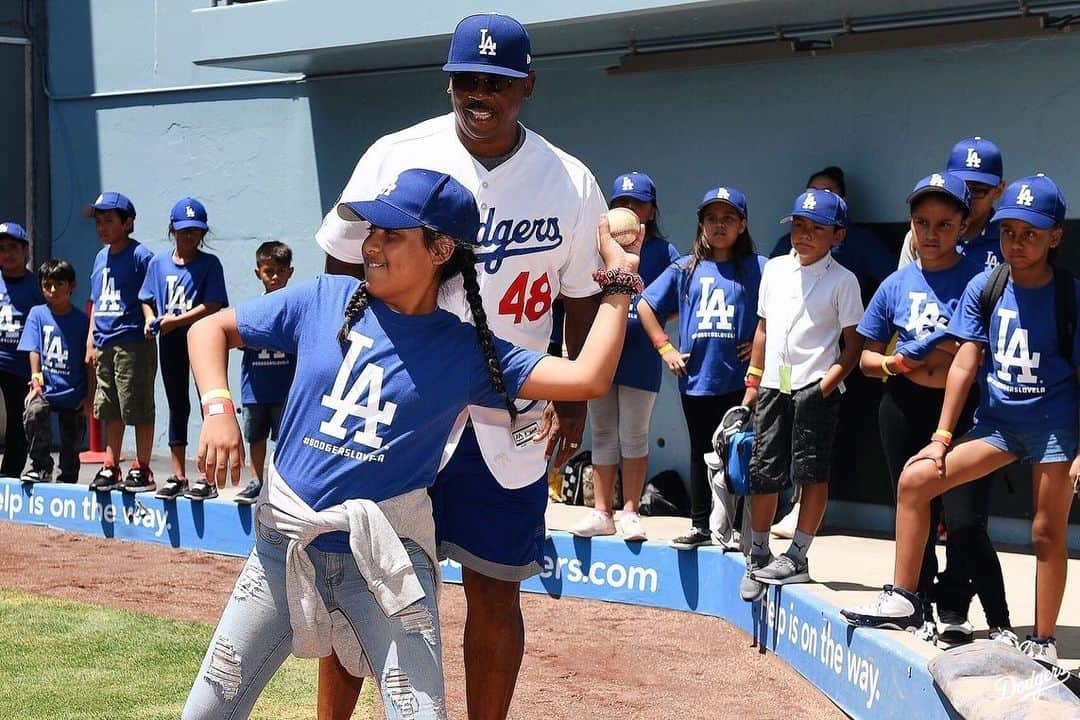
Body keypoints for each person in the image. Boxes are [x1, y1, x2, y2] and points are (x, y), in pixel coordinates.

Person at [180, 168, 641, 720]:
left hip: (386, 567)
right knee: (204, 715)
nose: (370, 246)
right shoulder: (324, 298)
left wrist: (619, 284)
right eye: (371, 231)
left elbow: (587, 378)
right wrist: (217, 407)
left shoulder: (466, 351)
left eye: (390, 235)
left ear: (441, 248)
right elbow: (207, 330)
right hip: (283, 550)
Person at [312, 14, 606, 720]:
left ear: (526, 86)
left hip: (509, 410)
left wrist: (574, 403)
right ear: (448, 82)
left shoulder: (569, 180)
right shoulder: (395, 153)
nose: (481, 93)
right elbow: (339, 267)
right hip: (401, 400)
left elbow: (582, 298)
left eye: (498, 82)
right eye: (468, 79)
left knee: (496, 589)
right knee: (362, 581)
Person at [842, 174, 1076, 666]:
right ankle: (904, 598)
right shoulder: (986, 286)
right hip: (997, 426)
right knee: (915, 480)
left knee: (1045, 532)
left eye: (1031, 233)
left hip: (1054, 428)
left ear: (1055, 235)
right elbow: (967, 361)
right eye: (1010, 231)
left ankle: (1045, 638)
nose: (1017, 242)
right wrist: (943, 437)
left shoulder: (1069, 297)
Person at [855, 172, 1012, 646]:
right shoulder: (895, 284)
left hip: (962, 411)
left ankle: (988, 617)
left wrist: (935, 347)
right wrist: (893, 362)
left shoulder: (982, 281)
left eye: (944, 224)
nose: (931, 233)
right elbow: (865, 357)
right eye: (922, 222)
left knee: (964, 520)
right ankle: (915, 602)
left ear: (964, 225)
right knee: (912, 504)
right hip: (902, 405)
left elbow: (977, 349)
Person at [739, 189, 863, 602]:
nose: (805, 235)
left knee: (812, 473)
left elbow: (853, 346)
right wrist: (753, 383)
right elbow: (762, 329)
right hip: (774, 385)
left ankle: (798, 556)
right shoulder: (773, 269)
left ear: (838, 235)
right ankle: (757, 555)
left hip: (815, 387)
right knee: (764, 471)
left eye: (816, 229)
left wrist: (825, 385)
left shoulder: (844, 281)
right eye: (798, 225)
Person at [636, 186, 764, 548]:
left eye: (728, 219)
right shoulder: (685, 269)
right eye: (711, 219)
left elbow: (779, 309)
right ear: (701, 225)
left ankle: (739, 527)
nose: (719, 226)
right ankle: (700, 524)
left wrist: (758, 343)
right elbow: (646, 305)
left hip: (738, 381)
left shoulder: (758, 267)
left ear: (742, 225)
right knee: (700, 451)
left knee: (738, 450)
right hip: (696, 380)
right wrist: (665, 349)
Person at [570, 172, 678, 541]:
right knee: (601, 432)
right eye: (622, 203)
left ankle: (630, 511)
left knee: (634, 434)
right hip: (602, 352)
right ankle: (602, 512)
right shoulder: (596, 246)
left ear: (651, 210)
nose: (629, 210)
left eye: (638, 203)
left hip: (640, 356)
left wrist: (655, 319)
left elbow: (679, 298)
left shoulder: (663, 252)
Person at [140, 198, 229, 499]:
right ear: (172, 230)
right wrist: (151, 318)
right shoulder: (158, 263)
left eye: (195, 231)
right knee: (177, 404)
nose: (189, 236)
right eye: (183, 231)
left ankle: (208, 476)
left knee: (210, 403)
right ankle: (178, 475)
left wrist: (177, 321)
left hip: (203, 338)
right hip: (171, 340)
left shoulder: (209, 264)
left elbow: (214, 304)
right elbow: (147, 297)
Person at [83, 192, 157, 493]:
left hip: (132, 341)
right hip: (104, 343)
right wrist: (91, 339)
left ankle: (142, 467)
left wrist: (151, 321)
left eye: (109, 221)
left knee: (136, 405)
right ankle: (110, 465)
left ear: (128, 223)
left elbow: (151, 294)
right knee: (109, 406)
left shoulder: (141, 256)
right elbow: (96, 301)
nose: (102, 227)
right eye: (98, 222)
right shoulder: (100, 257)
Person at [234, 241, 296, 505]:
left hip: (286, 389)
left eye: (281, 271)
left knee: (285, 439)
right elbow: (237, 339)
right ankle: (257, 481)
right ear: (258, 272)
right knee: (255, 436)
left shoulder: (296, 306)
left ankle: (283, 486)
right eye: (269, 270)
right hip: (255, 389)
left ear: (290, 272)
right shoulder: (250, 309)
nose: (275, 276)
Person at [898, 137, 1006, 272]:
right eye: (960, 187)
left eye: (977, 190)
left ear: (998, 190)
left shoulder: (1008, 239)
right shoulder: (919, 237)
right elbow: (903, 286)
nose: (967, 197)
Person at [0, 222, 44, 478]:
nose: (7, 254)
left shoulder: (37, 286)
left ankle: (8, 477)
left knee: (18, 424)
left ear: (25, 250)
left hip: (19, 366)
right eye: (2, 249)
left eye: (13, 248)